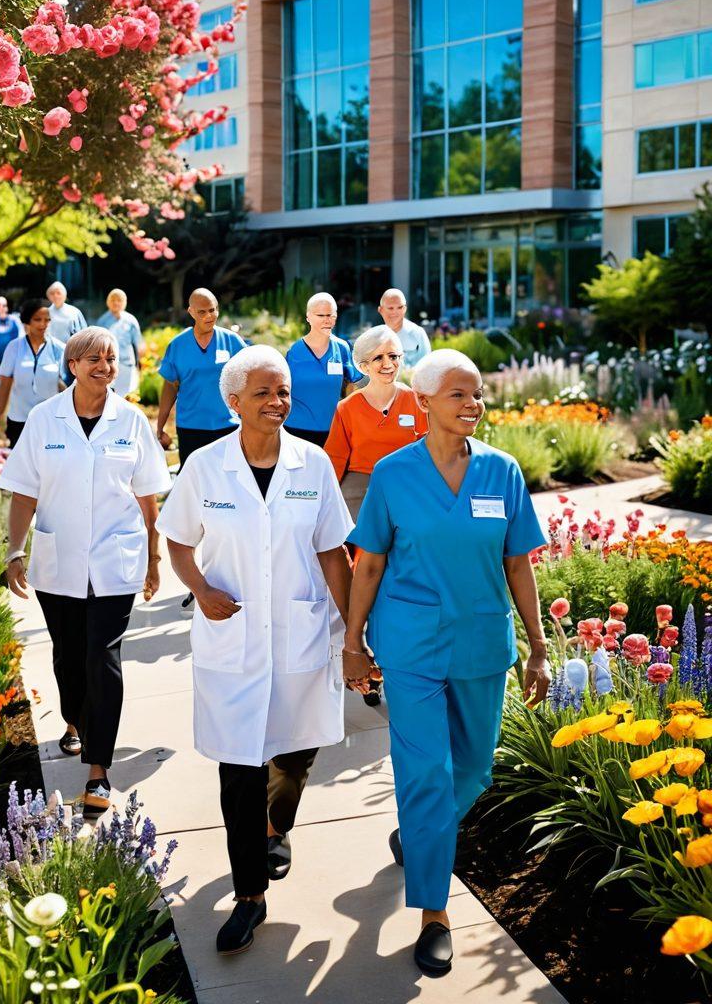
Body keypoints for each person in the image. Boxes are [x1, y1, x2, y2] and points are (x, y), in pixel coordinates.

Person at [343, 349, 550, 978]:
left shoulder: (503, 471)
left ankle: (420, 835)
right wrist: (353, 642)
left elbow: (519, 563)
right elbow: (371, 562)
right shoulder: (392, 474)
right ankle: (435, 912)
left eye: (478, 393)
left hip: (483, 641)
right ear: (424, 401)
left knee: (474, 771)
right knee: (426, 769)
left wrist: (539, 648)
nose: (473, 403)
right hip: (409, 643)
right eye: (458, 393)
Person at [157, 345, 353, 956]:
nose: (278, 402)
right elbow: (178, 541)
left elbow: (332, 553)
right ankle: (249, 897)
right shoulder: (205, 467)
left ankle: (279, 825)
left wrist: (355, 633)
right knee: (239, 765)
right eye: (264, 393)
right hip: (232, 637)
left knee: (296, 750)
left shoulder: (313, 464)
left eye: (284, 391)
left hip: (301, 631)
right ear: (234, 401)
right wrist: (201, 589)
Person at [0, 327, 171, 818]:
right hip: (58, 563)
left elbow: (148, 499)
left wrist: (154, 559)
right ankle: (74, 718)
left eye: (111, 358)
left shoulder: (132, 422)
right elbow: (24, 492)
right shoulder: (43, 420)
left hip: (117, 562)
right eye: (93, 358)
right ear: (71, 365)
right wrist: (14, 550)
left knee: (103, 656)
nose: (104, 365)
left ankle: (99, 770)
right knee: (70, 658)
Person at [325, 325, 429, 523]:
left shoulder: (415, 401)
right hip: (361, 486)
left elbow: (429, 450)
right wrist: (324, 501)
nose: (388, 364)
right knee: (363, 549)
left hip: (406, 484)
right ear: (364, 366)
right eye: (378, 358)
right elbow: (335, 458)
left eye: (393, 356)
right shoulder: (347, 407)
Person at [156, 288, 246, 467]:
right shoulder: (178, 345)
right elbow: (170, 387)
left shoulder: (232, 341)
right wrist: (160, 426)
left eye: (212, 310)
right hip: (191, 427)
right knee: (194, 482)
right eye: (202, 312)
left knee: (229, 479)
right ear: (191, 312)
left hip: (228, 426)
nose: (208, 316)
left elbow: (253, 374)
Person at [284, 292, 362, 448]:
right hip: (296, 431)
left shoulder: (342, 348)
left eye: (330, 315)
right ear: (308, 317)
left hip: (333, 431)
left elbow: (351, 387)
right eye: (320, 315)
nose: (327, 320)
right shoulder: (294, 352)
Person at [0, 299, 66, 448]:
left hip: (51, 422)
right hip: (19, 421)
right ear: (27, 321)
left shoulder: (59, 349)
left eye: (47, 320)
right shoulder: (14, 347)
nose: (43, 324)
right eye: (37, 319)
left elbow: (67, 387)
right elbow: (3, 389)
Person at [96, 288, 145, 398]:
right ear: (108, 302)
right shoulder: (102, 321)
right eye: (113, 300)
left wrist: (141, 363)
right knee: (110, 395)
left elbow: (139, 343)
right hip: (108, 364)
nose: (116, 303)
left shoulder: (131, 320)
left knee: (127, 395)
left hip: (127, 363)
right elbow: (97, 345)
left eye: (119, 300)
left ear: (124, 302)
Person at [376, 288, 431, 369]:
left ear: (405, 309)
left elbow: (427, 366)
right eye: (390, 308)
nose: (395, 312)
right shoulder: (375, 337)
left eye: (400, 307)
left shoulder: (417, 333)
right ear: (381, 310)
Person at [0, 296, 22, 377]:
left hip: (12, 362)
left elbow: (22, 338)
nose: (1, 308)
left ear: (7, 307)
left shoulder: (15, 322)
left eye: (4, 305)